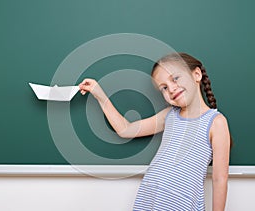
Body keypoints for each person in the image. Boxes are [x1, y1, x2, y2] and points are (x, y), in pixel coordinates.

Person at [79, 52, 231, 211]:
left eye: (175, 78)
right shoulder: (169, 116)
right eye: (164, 88)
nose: (171, 89)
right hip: (150, 199)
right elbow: (126, 129)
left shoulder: (216, 122)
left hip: (181, 204)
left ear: (197, 74)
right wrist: (99, 94)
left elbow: (219, 179)